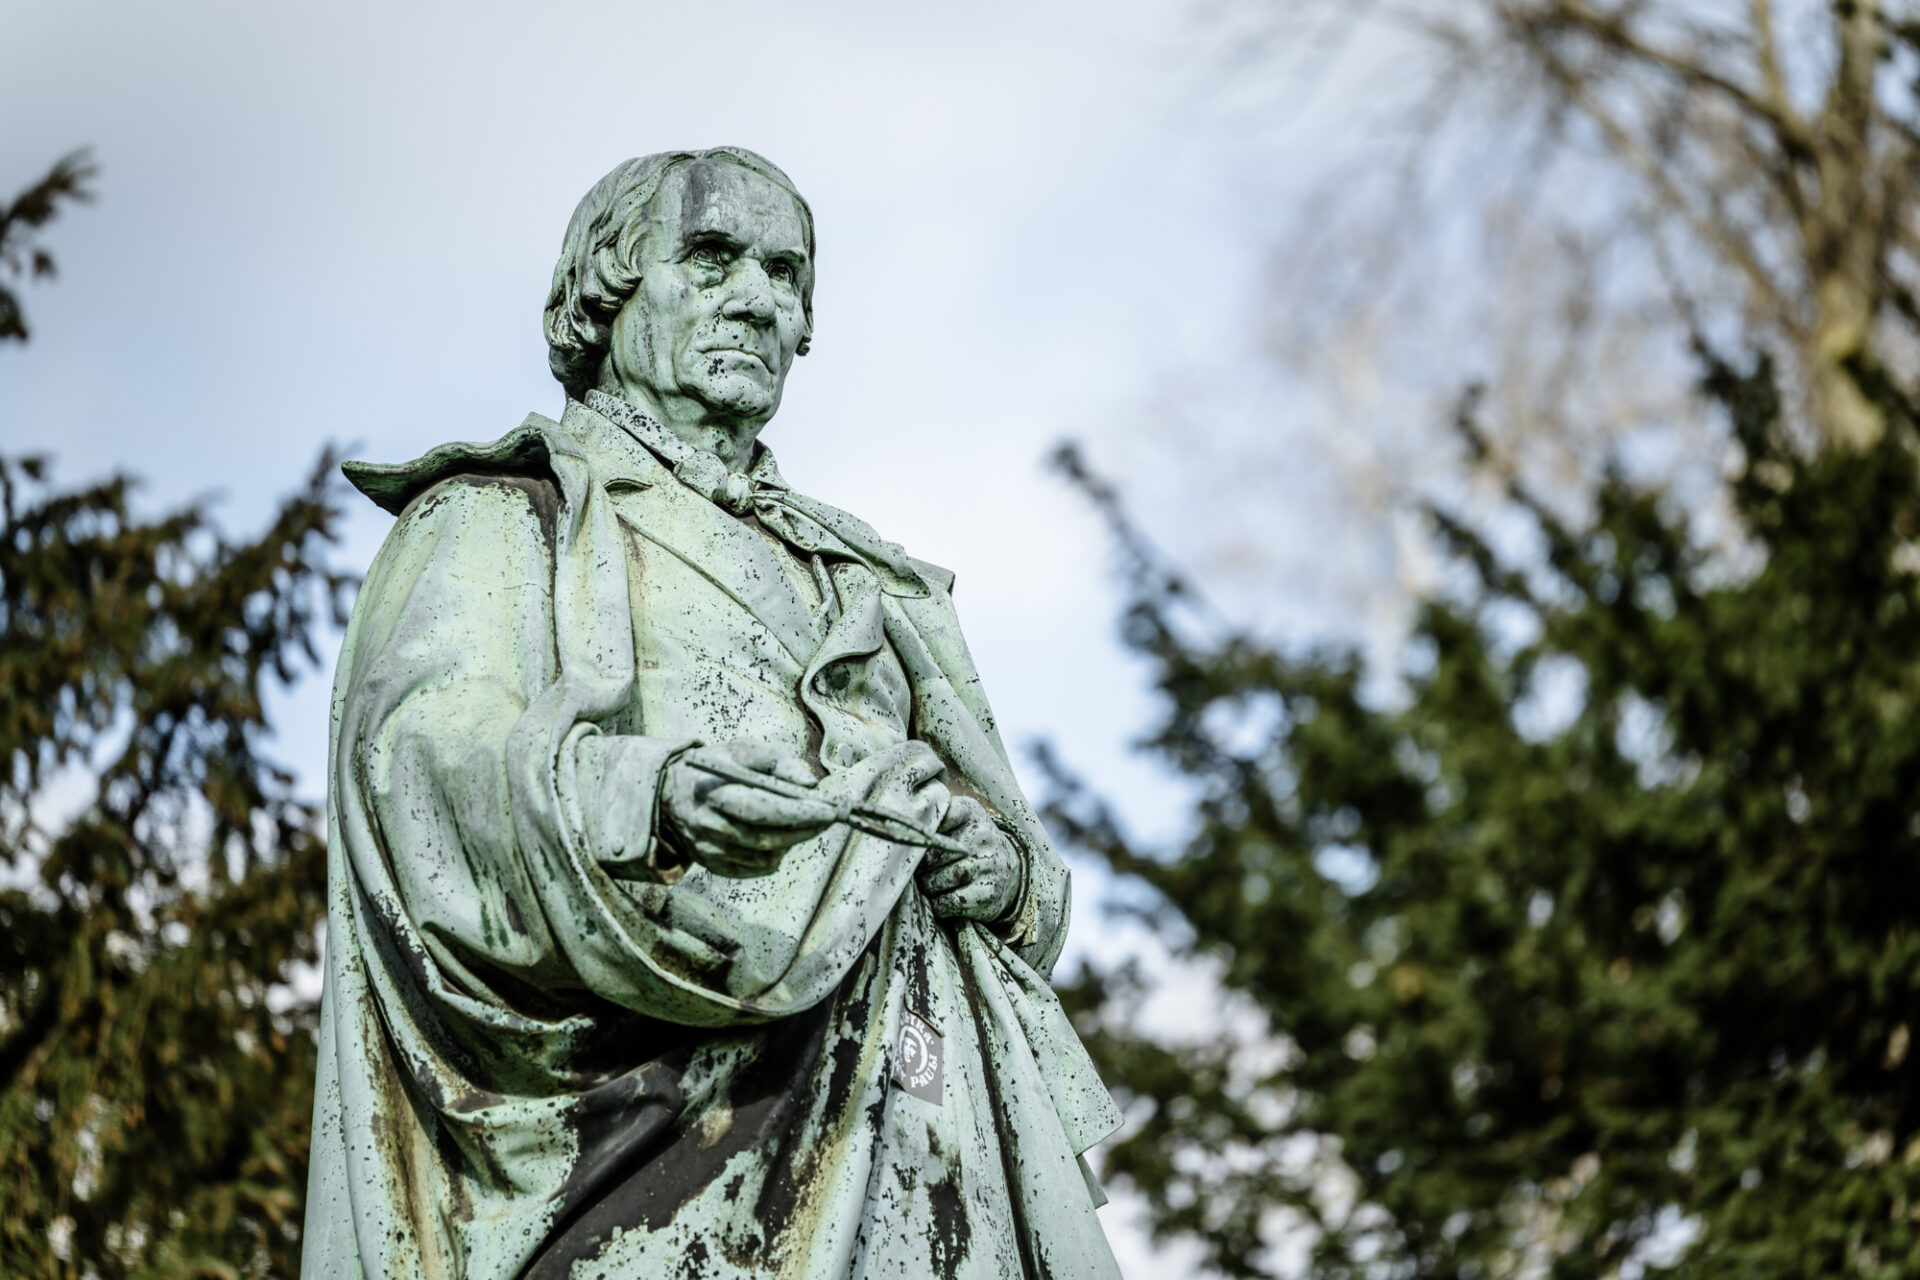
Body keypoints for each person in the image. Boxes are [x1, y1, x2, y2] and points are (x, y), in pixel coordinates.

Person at [301, 147, 1123, 1279]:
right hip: (671, 1124)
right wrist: (648, 791)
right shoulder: (502, 517)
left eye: (786, 276)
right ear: (607, 292)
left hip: (929, 1110)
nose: (758, 297)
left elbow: (1014, 848)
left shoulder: (864, 579)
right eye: (711, 257)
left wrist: (1006, 868)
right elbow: (418, 764)